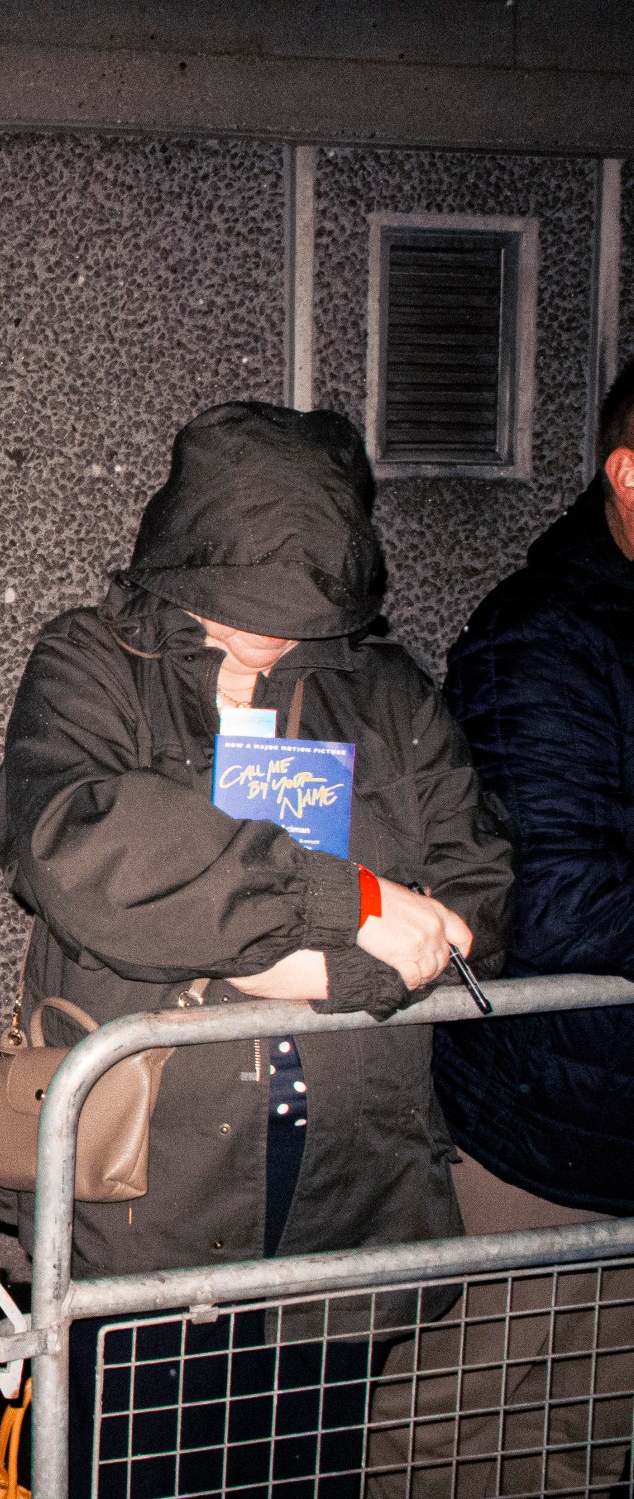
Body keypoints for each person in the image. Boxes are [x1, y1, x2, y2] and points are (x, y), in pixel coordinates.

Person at [0, 402, 512, 1497]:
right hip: (144, 1198)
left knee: (302, 1470)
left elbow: (474, 890)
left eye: (301, 606)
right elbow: (74, 839)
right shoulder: (94, 661)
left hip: (341, 1190)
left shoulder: (389, 693)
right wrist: (333, 904)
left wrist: (328, 969)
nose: (272, 630)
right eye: (244, 602)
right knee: (123, 1463)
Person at [390, 359, 634, 1495]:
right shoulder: (545, 643)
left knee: (585, 1436)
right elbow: (559, 905)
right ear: (626, 475)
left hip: (610, 1113)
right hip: (552, 1122)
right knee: (453, 1422)